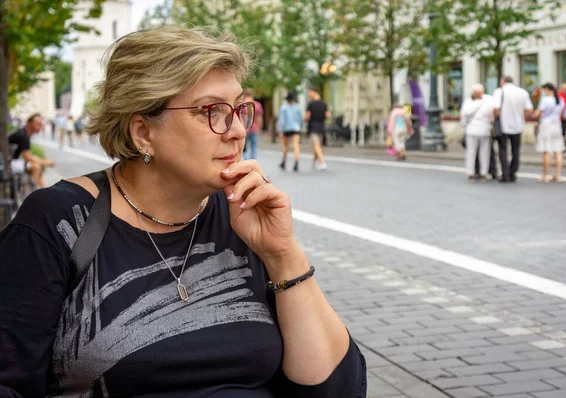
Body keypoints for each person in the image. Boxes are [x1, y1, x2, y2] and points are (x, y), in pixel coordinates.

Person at [0, 26, 366, 397]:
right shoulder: (60, 221)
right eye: (212, 111)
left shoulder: (242, 216)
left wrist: (283, 255)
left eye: (240, 109)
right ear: (143, 132)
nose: (238, 130)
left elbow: (338, 389)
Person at [493, 76, 534, 182]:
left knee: (503, 150)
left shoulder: (499, 91)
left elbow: (496, 109)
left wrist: (495, 118)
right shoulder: (522, 92)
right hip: (518, 125)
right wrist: (522, 117)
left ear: (503, 82)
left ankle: (505, 174)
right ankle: (513, 172)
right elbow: (530, 109)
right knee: (516, 150)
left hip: (503, 125)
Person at [7, 113, 56, 188]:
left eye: (41, 124)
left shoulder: (24, 133)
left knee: (36, 164)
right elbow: (27, 157)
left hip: (10, 161)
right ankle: (31, 195)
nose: (40, 126)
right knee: (35, 167)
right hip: (9, 163)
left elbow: (29, 155)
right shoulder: (23, 135)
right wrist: (45, 162)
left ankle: (44, 190)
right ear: (30, 123)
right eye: (38, 124)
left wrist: (41, 161)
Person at [461, 83, 495, 182]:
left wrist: (464, 125)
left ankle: (471, 173)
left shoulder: (468, 102)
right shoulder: (489, 100)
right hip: (485, 130)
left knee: (471, 152)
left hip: (471, 130)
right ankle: (483, 173)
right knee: (484, 152)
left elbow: (463, 118)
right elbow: (493, 114)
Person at [535, 83, 566, 182]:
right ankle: (558, 175)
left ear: (548, 89)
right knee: (558, 150)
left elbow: (538, 113)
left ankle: (545, 175)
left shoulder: (545, 100)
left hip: (546, 124)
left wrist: (536, 114)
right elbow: (561, 113)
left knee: (547, 150)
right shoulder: (560, 100)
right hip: (556, 124)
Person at [305, 88, 330, 171]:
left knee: (316, 145)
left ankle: (322, 163)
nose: (309, 95)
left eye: (309, 93)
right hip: (322, 126)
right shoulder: (324, 104)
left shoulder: (311, 104)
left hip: (313, 127)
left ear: (313, 92)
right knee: (317, 145)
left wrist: (304, 119)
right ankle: (314, 162)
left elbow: (307, 117)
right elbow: (328, 115)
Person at [278, 92, 303, 172]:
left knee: (286, 146)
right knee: (296, 145)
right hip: (296, 128)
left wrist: (281, 130)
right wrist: (300, 127)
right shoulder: (298, 107)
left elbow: (282, 120)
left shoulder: (284, 108)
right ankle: (296, 162)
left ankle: (284, 162)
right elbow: (300, 119)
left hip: (286, 129)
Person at [242, 88, 263, 160]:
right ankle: (252, 163)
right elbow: (259, 119)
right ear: (252, 95)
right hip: (254, 129)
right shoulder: (257, 104)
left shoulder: (242, 104)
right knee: (253, 147)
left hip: (244, 129)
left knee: (243, 147)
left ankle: (244, 162)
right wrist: (259, 129)